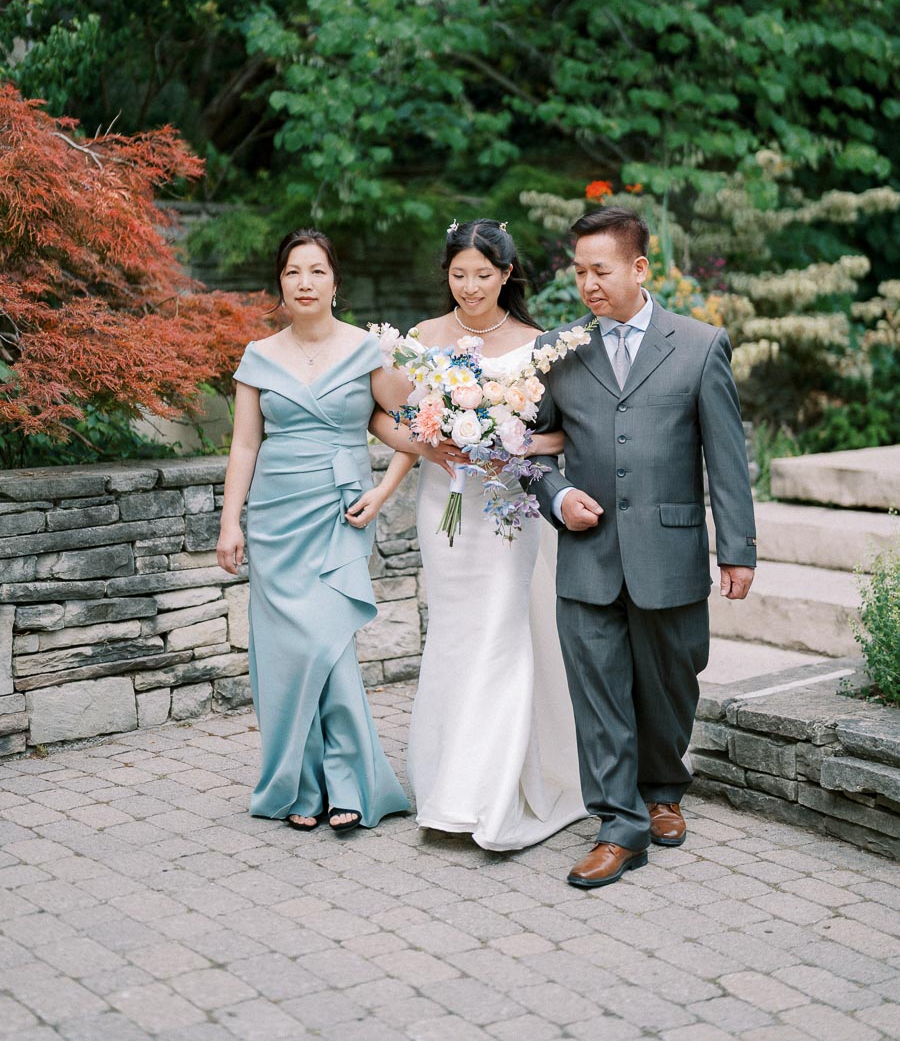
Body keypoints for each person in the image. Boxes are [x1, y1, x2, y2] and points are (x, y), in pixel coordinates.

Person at [530, 206, 756, 888]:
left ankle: (663, 788)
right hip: (589, 556)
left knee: (668, 687)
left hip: (671, 552)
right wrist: (557, 496)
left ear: (639, 268)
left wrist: (737, 549)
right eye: (579, 271)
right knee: (597, 694)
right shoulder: (557, 351)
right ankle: (618, 826)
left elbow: (726, 456)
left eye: (601, 270)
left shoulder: (699, 344)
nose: (588, 284)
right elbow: (527, 451)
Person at [373, 219, 587, 851]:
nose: (471, 287)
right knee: (454, 632)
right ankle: (447, 783)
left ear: (507, 275)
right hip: (446, 506)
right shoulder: (420, 339)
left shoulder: (535, 344)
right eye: (459, 274)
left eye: (484, 275)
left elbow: (568, 431)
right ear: (447, 273)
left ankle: (487, 796)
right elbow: (384, 414)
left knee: (501, 629)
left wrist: (508, 444)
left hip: (509, 513)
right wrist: (431, 445)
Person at [216, 229, 411, 834]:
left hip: (340, 511)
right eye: (294, 271)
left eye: (317, 271)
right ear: (281, 283)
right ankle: (300, 784)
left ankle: (350, 783)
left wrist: (383, 491)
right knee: (288, 653)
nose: (305, 282)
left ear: (335, 282)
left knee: (330, 646)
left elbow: (415, 428)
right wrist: (230, 522)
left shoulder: (367, 351)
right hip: (276, 517)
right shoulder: (257, 355)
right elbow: (245, 443)